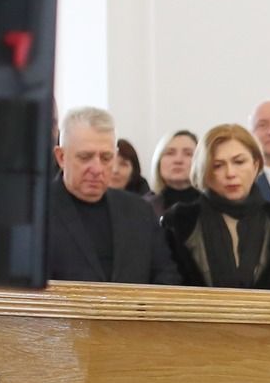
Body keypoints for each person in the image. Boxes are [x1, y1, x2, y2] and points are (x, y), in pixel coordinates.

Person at [162, 123, 270, 290]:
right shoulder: (180, 221)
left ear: (255, 165)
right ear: (204, 171)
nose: (230, 173)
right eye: (218, 165)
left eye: (239, 162)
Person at [47, 107, 181, 285]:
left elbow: (166, 277)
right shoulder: (36, 212)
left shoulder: (139, 211)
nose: (97, 169)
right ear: (61, 157)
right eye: (85, 157)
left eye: (106, 158)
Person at [149, 128, 201, 216]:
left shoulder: (214, 206)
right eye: (170, 153)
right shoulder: (142, 207)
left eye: (188, 154)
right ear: (158, 161)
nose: (178, 160)